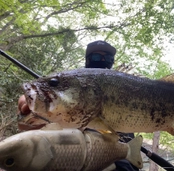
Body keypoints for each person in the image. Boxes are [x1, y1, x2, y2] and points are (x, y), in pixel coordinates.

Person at [17, 40, 139, 171]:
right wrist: (28, 111)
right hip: (78, 157)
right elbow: (25, 123)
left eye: (108, 57)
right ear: (87, 60)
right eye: (96, 56)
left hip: (120, 157)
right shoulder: (71, 84)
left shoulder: (126, 87)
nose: (102, 60)